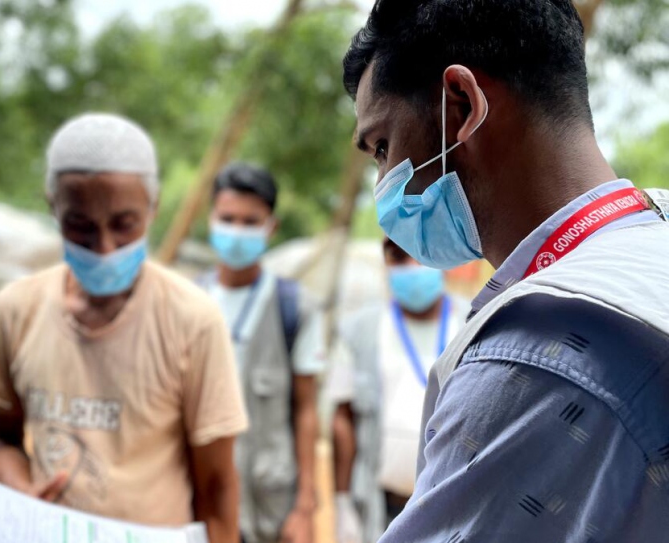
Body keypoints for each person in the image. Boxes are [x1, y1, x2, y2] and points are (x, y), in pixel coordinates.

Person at [340, 1, 669, 541]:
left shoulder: (536, 358)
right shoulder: (649, 245)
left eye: (382, 146)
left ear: (462, 103)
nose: (383, 189)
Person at [0, 113, 248, 543]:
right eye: (79, 225)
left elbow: (216, 485)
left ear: (153, 209)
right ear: (52, 207)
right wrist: (21, 490)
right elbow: (2, 439)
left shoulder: (192, 318)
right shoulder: (15, 309)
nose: (103, 247)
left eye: (124, 224)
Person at [199, 163, 324, 543]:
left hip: (271, 504)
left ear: (271, 227)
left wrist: (304, 507)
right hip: (202, 503)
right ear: (211, 220)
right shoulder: (188, 304)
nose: (237, 231)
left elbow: (306, 409)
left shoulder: (296, 306)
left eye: (250, 222)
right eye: (228, 219)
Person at [325, 238, 469, 543]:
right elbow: (343, 419)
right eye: (398, 257)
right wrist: (342, 502)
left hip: (454, 511)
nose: (411, 268)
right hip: (380, 508)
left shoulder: (474, 323)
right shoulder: (357, 329)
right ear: (386, 262)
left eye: (420, 254)